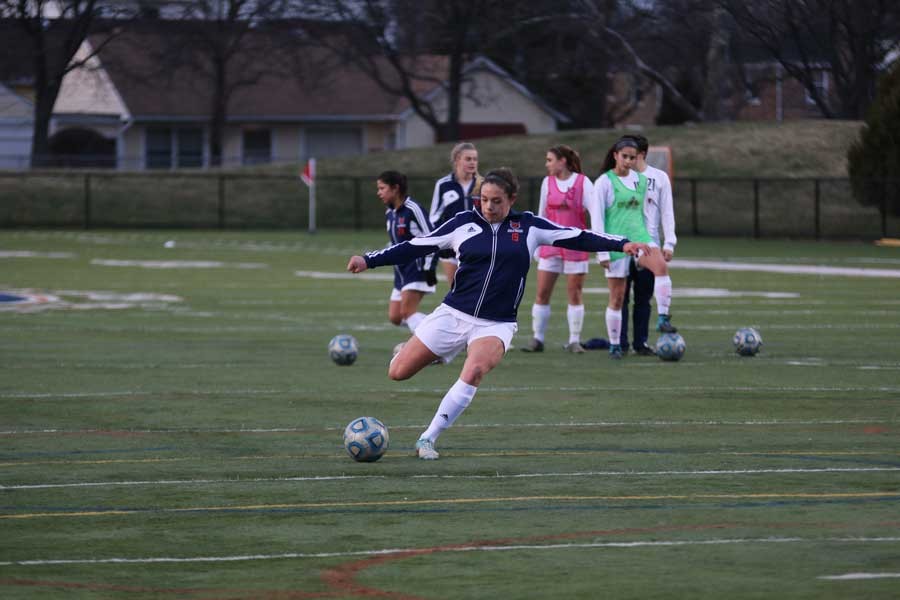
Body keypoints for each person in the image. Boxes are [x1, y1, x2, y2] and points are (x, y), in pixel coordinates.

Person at [347, 168, 648, 459]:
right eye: (484, 199)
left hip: (496, 324)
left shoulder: (529, 227)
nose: (488, 206)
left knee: (475, 369)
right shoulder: (462, 223)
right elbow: (414, 246)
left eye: (496, 201)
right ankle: (438, 352)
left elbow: (578, 236)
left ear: (512, 199)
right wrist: (368, 260)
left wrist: (622, 243)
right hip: (453, 313)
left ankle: (428, 437)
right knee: (397, 373)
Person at [585, 134, 677, 355]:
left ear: (639, 157)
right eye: (625, 156)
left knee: (658, 272)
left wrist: (659, 241)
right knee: (618, 297)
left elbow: (645, 214)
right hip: (616, 243)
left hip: (642, 240)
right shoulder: (603, 182)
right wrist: (603, 251)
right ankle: (617, 344)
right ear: (615, 156)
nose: (628, 161)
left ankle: (661, 320)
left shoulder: (644, 180)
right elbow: (597, 218)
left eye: (632, 157)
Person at [522, 145, 600, 353]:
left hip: (575, 245)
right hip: (551, 245)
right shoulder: (547, 183)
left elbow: (596, 215)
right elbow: (541, 216)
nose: (547, 164)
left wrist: (599, 243)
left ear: (562, 161)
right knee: (542, 293)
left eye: (550, 160)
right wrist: (535, 246)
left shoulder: (584, 183)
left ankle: (574, 340)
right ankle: (537, 339)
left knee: (575, 293)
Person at [376, 170, 436, 334]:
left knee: (408, 313)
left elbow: (433, 238)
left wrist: (429, 268)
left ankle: (432, 345)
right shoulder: (390, 213)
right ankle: (438, 329)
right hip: (400, 272)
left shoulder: (413, 209)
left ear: (395, 188)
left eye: (382, 188)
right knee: (396, 316)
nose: (379, 193)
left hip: (418, 268)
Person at [429, 142, 483, 284]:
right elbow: (434, 218)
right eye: (468, 159)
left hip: (477, 244)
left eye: (475, 159)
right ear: (457, 160)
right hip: (451, 246)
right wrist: (442, 242)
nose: (473, 162)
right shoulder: (443, 184)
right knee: (456, 289)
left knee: (477, 288)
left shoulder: (483, 184)